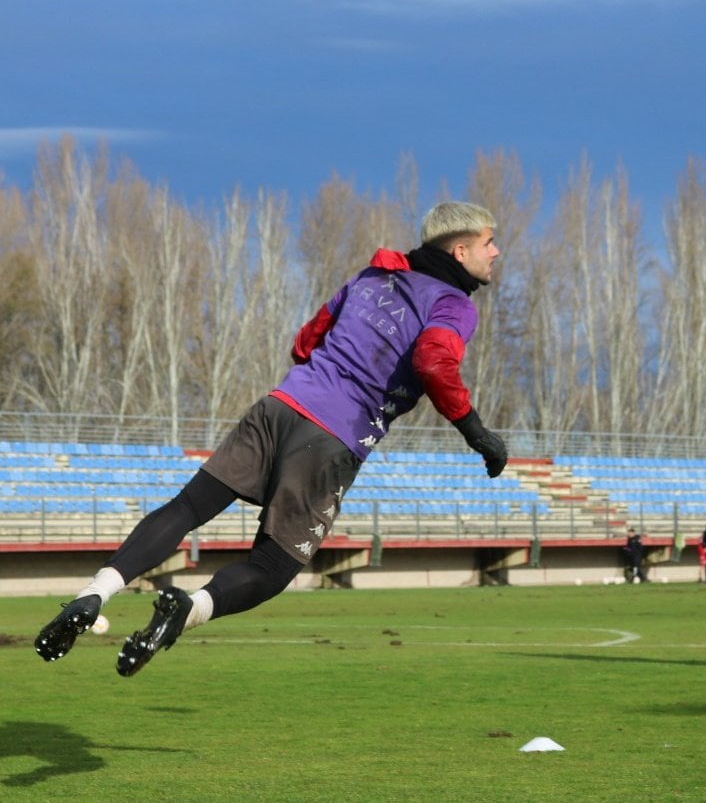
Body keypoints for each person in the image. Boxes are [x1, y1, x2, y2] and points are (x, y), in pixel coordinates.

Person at [34, 202, 509, 676]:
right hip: (333, 437)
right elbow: (432, 362)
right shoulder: (452, 304)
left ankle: (93, 592)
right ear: (460, 249)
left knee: (187, 508)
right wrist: (477, 432)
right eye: (489, 242)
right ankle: (187, 610)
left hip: (279, 407)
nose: (496, 252)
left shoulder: (369, 278)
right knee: (273, 566)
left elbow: (306, 341)